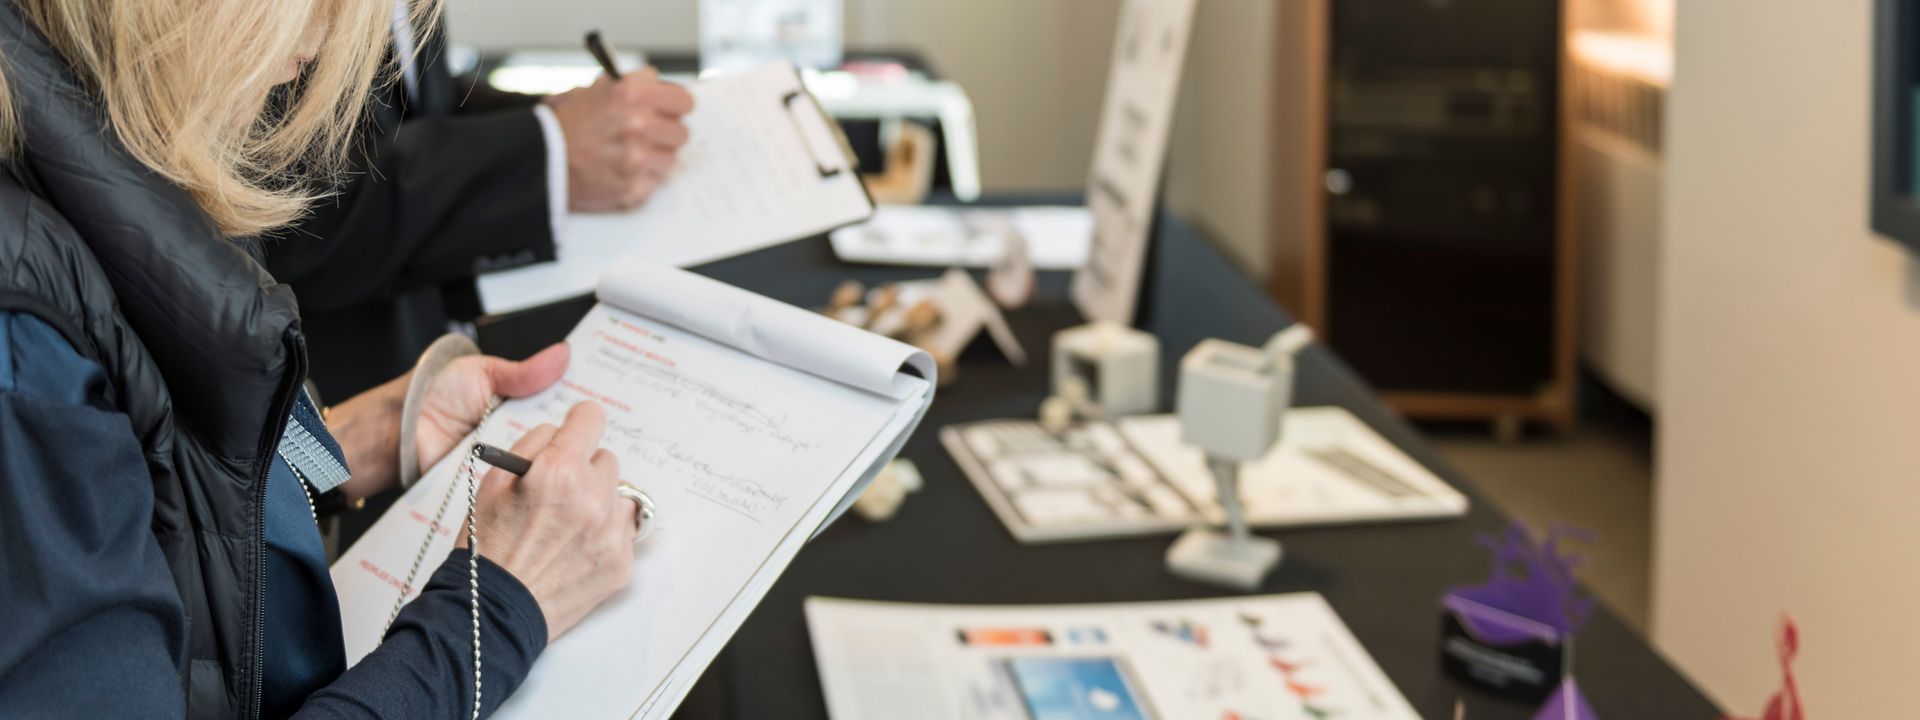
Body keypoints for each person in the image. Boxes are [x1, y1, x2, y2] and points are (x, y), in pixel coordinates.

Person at [0, 1, 638, 717]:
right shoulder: (21, 344)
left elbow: (139, 487)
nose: (338, 34)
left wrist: (351, 447)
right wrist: (495, 612)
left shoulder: (100, 156)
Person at [265, 7, 695, 399]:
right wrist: (547, 145)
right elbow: (292, 211)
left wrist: (558, 116)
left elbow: (413, 95)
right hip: (323, 395)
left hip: (428, 351)